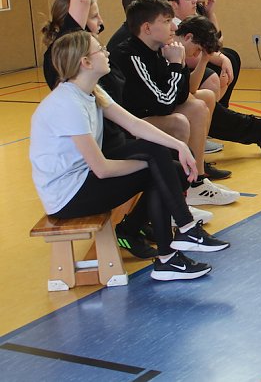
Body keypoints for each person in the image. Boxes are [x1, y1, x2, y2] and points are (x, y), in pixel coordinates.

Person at [29, 30, 229, 281]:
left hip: (84, 179)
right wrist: (151, 164)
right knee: (157, 163)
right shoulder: (67, 104)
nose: (107, 52)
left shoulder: (92, 91)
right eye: (100, 49)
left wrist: (179, 146)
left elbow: (134, 124)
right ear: (86, 62)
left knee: (168, 163)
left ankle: (164, 246)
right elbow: (102, 169)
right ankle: (180, 238)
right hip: (68, 195)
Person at [111, 0, 240, 205]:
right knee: (179, 122)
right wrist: (175, 65)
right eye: (166, 21)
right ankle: (180, 190)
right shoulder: (130, 55)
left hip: (149, 112)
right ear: (147, 28)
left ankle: (197, 180)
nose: (173, 27)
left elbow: (182, 95)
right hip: (127, 125)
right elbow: (163, 104)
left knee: (198, 104)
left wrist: (179, 63)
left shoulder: (159, 49)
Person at [160, 0, 261, 157]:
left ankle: (260, 130)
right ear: (173, 5)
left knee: (222, 68)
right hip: (166, 105)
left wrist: (211, 18)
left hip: (175, 94)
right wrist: (213, 59)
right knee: (205, 90)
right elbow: (200, 55)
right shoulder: (172, 32)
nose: (195, 0)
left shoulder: (182, 26)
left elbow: (213, 43)